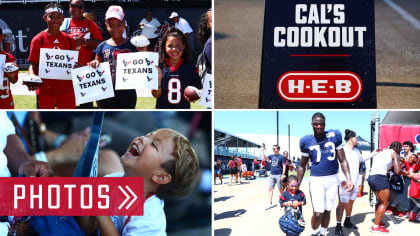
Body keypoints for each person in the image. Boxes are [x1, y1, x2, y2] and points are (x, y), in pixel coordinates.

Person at [79, 128, 200, 235]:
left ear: (160, 177)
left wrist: (102, 215)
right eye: (147, 135)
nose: (142, 138)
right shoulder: (113, 179)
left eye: (153, 144)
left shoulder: (149, 218)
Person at [297, 112, 353, 236]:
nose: (319, 127)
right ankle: (314, 233)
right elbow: (301, 165)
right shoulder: (306, 140)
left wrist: (348, 179)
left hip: (333, 179)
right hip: (317, 180)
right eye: (316, 124)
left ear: (325, 124)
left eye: (321, 124)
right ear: (312, 124)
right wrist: (298, 184)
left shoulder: (334, 135)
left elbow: (343, 160)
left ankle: (323, 233)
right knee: (318, 213)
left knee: (328, 211)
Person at [26, 3, 77, 109]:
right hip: (45, 90)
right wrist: (31, 76)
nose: (55, 20)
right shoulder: (38, 39)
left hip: (66, 90)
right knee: (46, 119)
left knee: (67, 119)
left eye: (59, 17)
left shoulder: (70, 40)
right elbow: (33, 64)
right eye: (51, 17)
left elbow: (73, 64)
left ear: (63, 18)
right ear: (45, 17)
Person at [87, 5, 137, 109]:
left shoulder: (133, 45)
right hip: (106, 94)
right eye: (111, 25)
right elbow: (96, 67)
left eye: (119, 24)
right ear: (106, 25)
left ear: (124, 24)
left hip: (128, 94)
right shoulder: (102, 46)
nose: (115, 28)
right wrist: (93, 64)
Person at [334, 129, 379, 236]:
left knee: (350, 202)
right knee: (341, 204)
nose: (357, 140)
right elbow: (336, 167)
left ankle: (347, 221)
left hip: (355, 181)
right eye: (356, 138)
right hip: (344, 183)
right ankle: (338, 225)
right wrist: (343, 181)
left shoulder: (356, 151)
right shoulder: (341, 150)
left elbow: (362, 158)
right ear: (351, 139)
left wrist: (374, 153)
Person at [61, 0, 103, 109]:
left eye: (79, 7)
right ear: (69, 7)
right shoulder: (63, 23)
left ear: (83, 9)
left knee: (86, 106)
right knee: (66, 105)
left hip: (85, 71)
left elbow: (100, 44)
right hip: (66, 70)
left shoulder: (90, 24)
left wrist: (84, 41)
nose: (76, 9)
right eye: (73, 6)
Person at [151, 27, 202, 109]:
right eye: (170, 46)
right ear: (164, 47)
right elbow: (155, 95)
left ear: (184, 46)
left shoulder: (190, 67)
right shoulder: (159, 67)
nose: (174, 49)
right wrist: (158, 80)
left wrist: (194, 96)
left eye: (178, 45)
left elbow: (198, 90)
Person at [368, 141, 402, 233]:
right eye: (400, 149)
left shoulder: (382, 152)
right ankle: (375, 226)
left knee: (380, 201)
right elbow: (398, 171)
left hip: (371, 177)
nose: (400, 151)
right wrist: (406, 172)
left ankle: (377, 221)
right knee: (385, 203)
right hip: (379, 178)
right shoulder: (395, 154)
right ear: (398, 148)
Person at [261, 144, 286, 210]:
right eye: (273, 149)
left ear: (278, 149)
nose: (274, 150)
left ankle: (283, 202)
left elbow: (284, 166)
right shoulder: (271, 156)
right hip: (272, 174)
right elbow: (264, 159)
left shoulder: (282, 157)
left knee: (280, 189)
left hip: (279, 175)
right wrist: (263, 151)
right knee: (270, 188)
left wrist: (283, 174)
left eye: (275, 148)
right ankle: (270, 203)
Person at [0, 27, 19, 109]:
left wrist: (11, 75)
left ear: (1, 37)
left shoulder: (9, 58)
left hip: (5, 101)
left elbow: (14, 80)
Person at [402, 153, 420, 222]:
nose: (410, 158)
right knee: (411, 200)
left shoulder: (417, 164)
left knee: (417, 200)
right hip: (411, 184)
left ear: (416, 159)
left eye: (412, 157)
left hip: (417, 184)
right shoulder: (407, 163)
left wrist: (415, 174)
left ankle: (416, 215)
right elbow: (401, 160)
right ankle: (411, 216)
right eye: (410, 157)